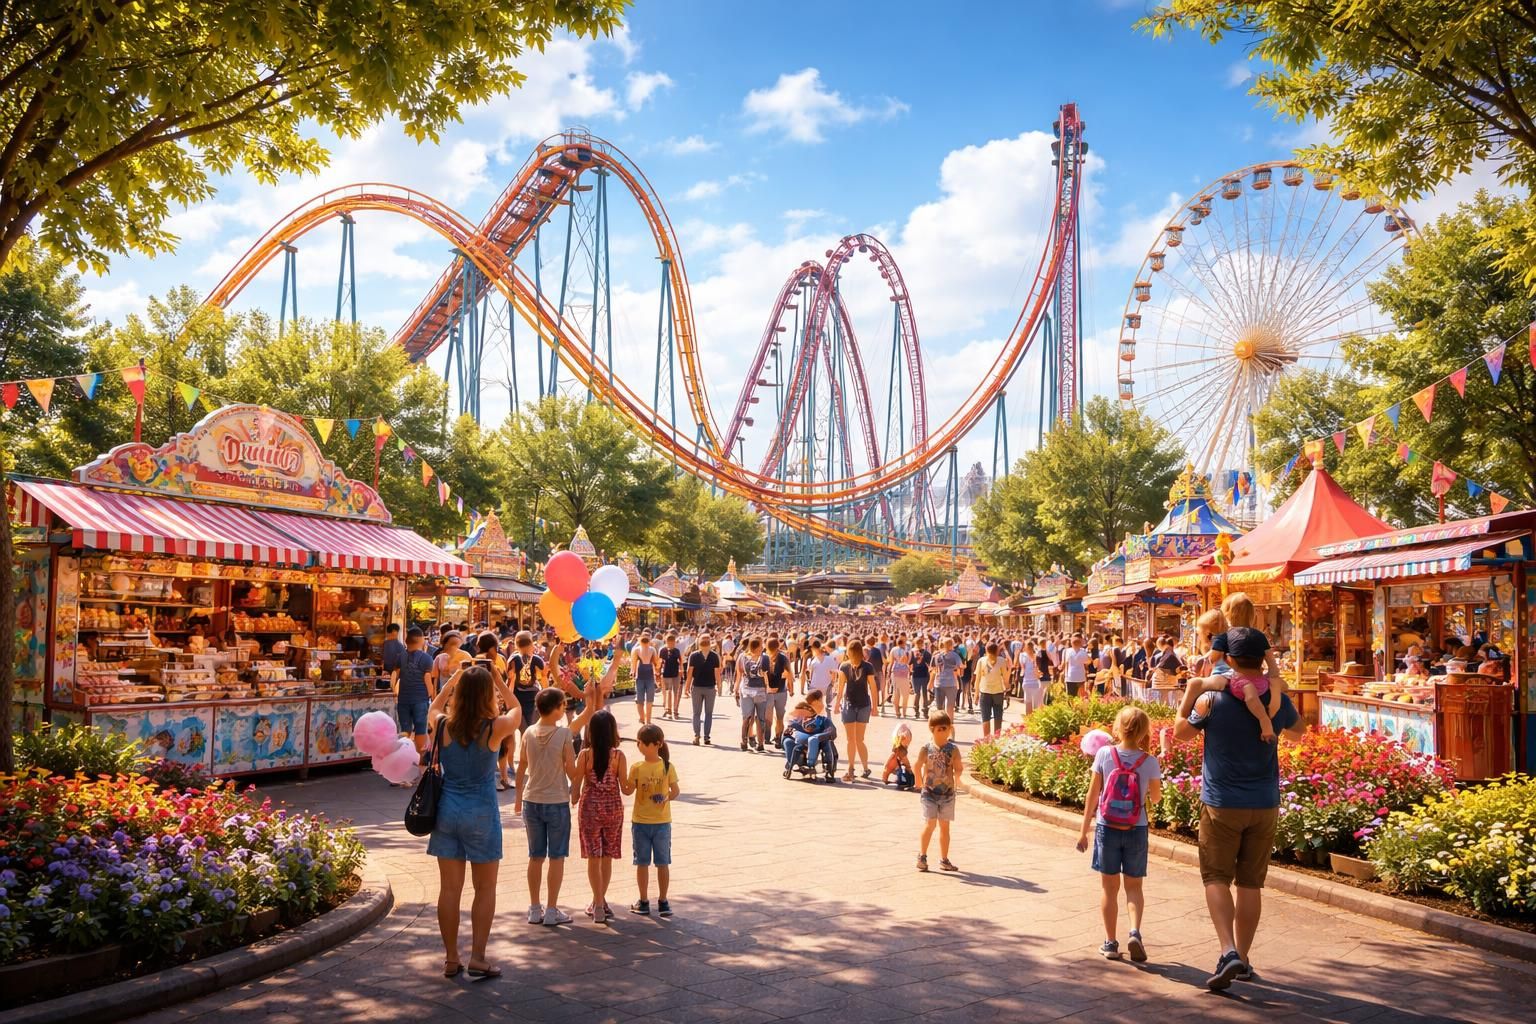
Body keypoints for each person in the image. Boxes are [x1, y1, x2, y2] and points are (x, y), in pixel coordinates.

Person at [1173, 597, 1304, 992]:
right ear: (1261, 660)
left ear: (1228, 658)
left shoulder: (1212, 698)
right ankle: (1243, 959)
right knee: (1250, 884)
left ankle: (1228, 950)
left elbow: (1181, 733)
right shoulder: (1275, 698)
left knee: (1216, 876)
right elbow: (1298, 734)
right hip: (1264, 803)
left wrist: (1192, 691)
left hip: (1221, 803)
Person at [424, 663, 521, 980]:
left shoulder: (443, 725)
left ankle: (451, 958)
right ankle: (478, 956)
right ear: (487, 695)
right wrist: (499, 681)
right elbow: (518, 710)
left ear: (460, 693)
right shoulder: (495, 727)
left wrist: (452, 680)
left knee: (449, 890)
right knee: (485, 888)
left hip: (447, 811)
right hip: (481, 813)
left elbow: (434, 707)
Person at [514, 658, 613, 929]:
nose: (565, 709)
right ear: (558, 709)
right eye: (563, 705)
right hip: (556, 802)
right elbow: (572, 771)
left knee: (535, 857)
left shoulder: (528, 733)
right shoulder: (564, 736)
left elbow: (521, 767)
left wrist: (517, 799)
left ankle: (534, 908)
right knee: (556, 857)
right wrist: (584, 764)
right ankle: (551, 909)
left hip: (531, 801)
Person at [1076, 707, 1163, 962]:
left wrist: (1083, 831)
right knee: (1134, 887)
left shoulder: (1105, 754)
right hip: (1137, 827)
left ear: (1117, 728)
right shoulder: (1149, 761)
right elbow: (1156, 799)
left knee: (1109, 888)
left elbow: (1093, 795)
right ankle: (1134, 931)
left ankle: (1110, 943)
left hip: (1107, 827)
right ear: (1144, 731)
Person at [571, 709, 626, 926]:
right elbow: (626, 787)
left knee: (594, 857)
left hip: (590, 809)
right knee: (607, 857)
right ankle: (600, 901)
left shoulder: (585, 755)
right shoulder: (619, 756)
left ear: (591, 732)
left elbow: (576, 785)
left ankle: (598, 905)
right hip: (613, 809)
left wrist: (574, 797)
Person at [625, 723, 680, 917]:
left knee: (660, 863)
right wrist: (620, 775)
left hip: (658, 822)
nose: (639, 746)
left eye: (642, 743)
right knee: (644, 863)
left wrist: (666, 798)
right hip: (643, 822)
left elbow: (675, 791)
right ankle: (646, 901)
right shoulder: (636, 767)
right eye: (639, 743)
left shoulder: (667, 766)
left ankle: (661, 900)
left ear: (657, 744)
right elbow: (628, 790)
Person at [914, 709, 960, 872]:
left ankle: (944, 859)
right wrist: (918, 781)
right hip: (929, 793)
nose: (944, 732)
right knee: (930, 824)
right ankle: (922, 856)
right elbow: (917, 765)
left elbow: (958, 767)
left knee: (945, 827)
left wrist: (958, 777)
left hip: (947, 794)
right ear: (932, 729)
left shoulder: (953, 749)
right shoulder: (926, 748)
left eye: (946, 728)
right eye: (940, 729)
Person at [391, 627, 437, 763]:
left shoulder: (400, 656)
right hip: (420, 700)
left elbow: (394, 676)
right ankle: (419, 759)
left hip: (403, 700)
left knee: (405, 729)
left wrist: (393, 690)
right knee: (421, 729)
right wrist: (432, 695)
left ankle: (404, 758)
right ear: (421, 640)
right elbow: (427, 679)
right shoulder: (427, 658)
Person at [835, 639, 879, 781]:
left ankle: (864, 768)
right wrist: (837, 703)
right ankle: (852, 767)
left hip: (862, 705)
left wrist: (875, 706)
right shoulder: (844, 666)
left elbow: (873, 687)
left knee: (857, 739)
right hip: (851, 704)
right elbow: (840, 687)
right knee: (852, 739)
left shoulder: (867, 667)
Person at [782, 689, 835, 777]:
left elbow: (824, 725)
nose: (822, 703)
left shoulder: (820, 712)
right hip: (798, 736)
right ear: (815, 701)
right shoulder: (802, 708)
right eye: (820, 700)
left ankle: (828, 768)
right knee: (788, 742)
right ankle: (793, 763)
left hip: (814, 737)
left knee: (825, 741)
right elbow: (790, 723)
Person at [683, 634, 721, 746]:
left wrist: (686, 687)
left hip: (697, 687)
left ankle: (696, 735)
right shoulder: (714, 656)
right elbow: (717, 673)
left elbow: (689, 673)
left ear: (699, 643)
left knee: (696, 713)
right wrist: (719, 686)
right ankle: (706, 737)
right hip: (710, 687)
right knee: (708, 714)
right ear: (710, 644)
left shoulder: (694, 655)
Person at [738, 636, 770, 752]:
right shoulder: (764, 658)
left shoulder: (743, 657)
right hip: (759, 690)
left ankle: (744, 742)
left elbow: (741, 672)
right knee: (759, 718)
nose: (762, 648)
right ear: (756, 647)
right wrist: (768, 687)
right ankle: (759, 743)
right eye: (761, 646)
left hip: (747, 689)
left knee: (747, 717)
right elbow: (765, 674)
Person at [975, 641, 1009, 739]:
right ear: (997, 651)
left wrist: (976, 694)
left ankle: (987, 740)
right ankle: (997, 739)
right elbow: (1005, 678)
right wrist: (1007, 688)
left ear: (986, 650)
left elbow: (977, 679)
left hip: (985, 692)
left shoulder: (981, 661)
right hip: (998, 692)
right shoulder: (1002, 661)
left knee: (985, 717)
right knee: (998, 716)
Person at [764, 636, 792, 745]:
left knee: (769, 716)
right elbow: (789, 674)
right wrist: (790, 688)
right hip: (781, 690)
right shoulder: (783, 658)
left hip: (770, 691)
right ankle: (777, 738)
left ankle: (769, 737)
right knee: (779, 717)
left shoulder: (764, 657)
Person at [631, 633, 660, 726]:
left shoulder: (650, 649)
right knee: (642, 700)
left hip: (647, 677)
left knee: (647, 700)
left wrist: (658, 671)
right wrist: (632, 672)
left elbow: (656, 663)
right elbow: (633, 664)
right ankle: (644, 718)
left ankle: (646, 719)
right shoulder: (638, 650)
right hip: (642, 677)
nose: (645, 642)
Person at [932, 636, 961, 713]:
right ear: (951, 645)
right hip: (951, 683)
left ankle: (941, 720)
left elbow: (933, 669)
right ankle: (949, 720)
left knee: (940, 708)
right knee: (950, 707)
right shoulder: (955, 655)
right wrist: (957, 682)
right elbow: (957, 669)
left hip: (939, 682)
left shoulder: (937, 655)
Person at [888, 636, 913, 719]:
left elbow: (891, 662)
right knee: (905, 694)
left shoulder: (893, 650)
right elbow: (907, 662)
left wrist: (888, 673)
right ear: (904, 643)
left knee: (896, 693)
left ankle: (897, 712)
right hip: (904, 673)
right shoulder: (907, 650)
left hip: (895, 672)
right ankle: (904, 712)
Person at [1061, 633, 1092, 698]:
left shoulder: (1066, 651)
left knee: (1070, 697)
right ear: (1080, 643)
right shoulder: (1083, 652)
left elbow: (1062, 665)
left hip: (1070, 677)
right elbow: (1089, 662)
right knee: (1081, 697)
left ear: (1071, 643)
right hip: (1081, 677)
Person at [1017, 639, 1044, 715]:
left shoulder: (1022, 655)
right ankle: (1034, 720)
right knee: (1035, 705)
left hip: (1026, 681)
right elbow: (1038, 668)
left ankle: (1028, 720)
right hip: (1035, 682)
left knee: (1028, 703)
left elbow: (1022, 668)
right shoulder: (1037, 656)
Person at [911, 637, 933, 717]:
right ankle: (923, 710)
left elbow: (909, 663)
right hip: (921, 675)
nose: (920, 645)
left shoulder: (912, 652)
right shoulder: (925, 653)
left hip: (918, 675)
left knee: (918, 693)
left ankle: (918, 710)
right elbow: (930, 664)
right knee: (922, 693)